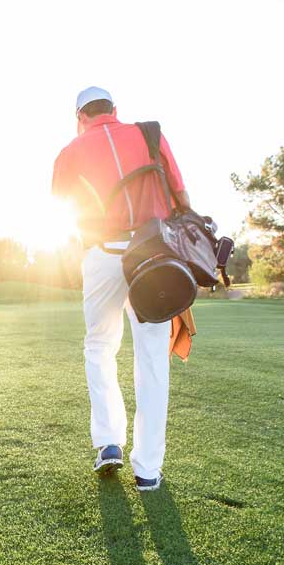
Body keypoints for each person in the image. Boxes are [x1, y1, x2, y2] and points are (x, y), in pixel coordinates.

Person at [50, 86, 192, 491]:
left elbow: (62, 205)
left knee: (99, 345)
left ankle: (109, 441)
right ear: (114, 109)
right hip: (154, 255)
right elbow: (182, 194)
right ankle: (147, 470)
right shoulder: (149, 134)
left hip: (103, 255)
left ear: (80, 117)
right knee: (152, 357)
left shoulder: (70, 151)